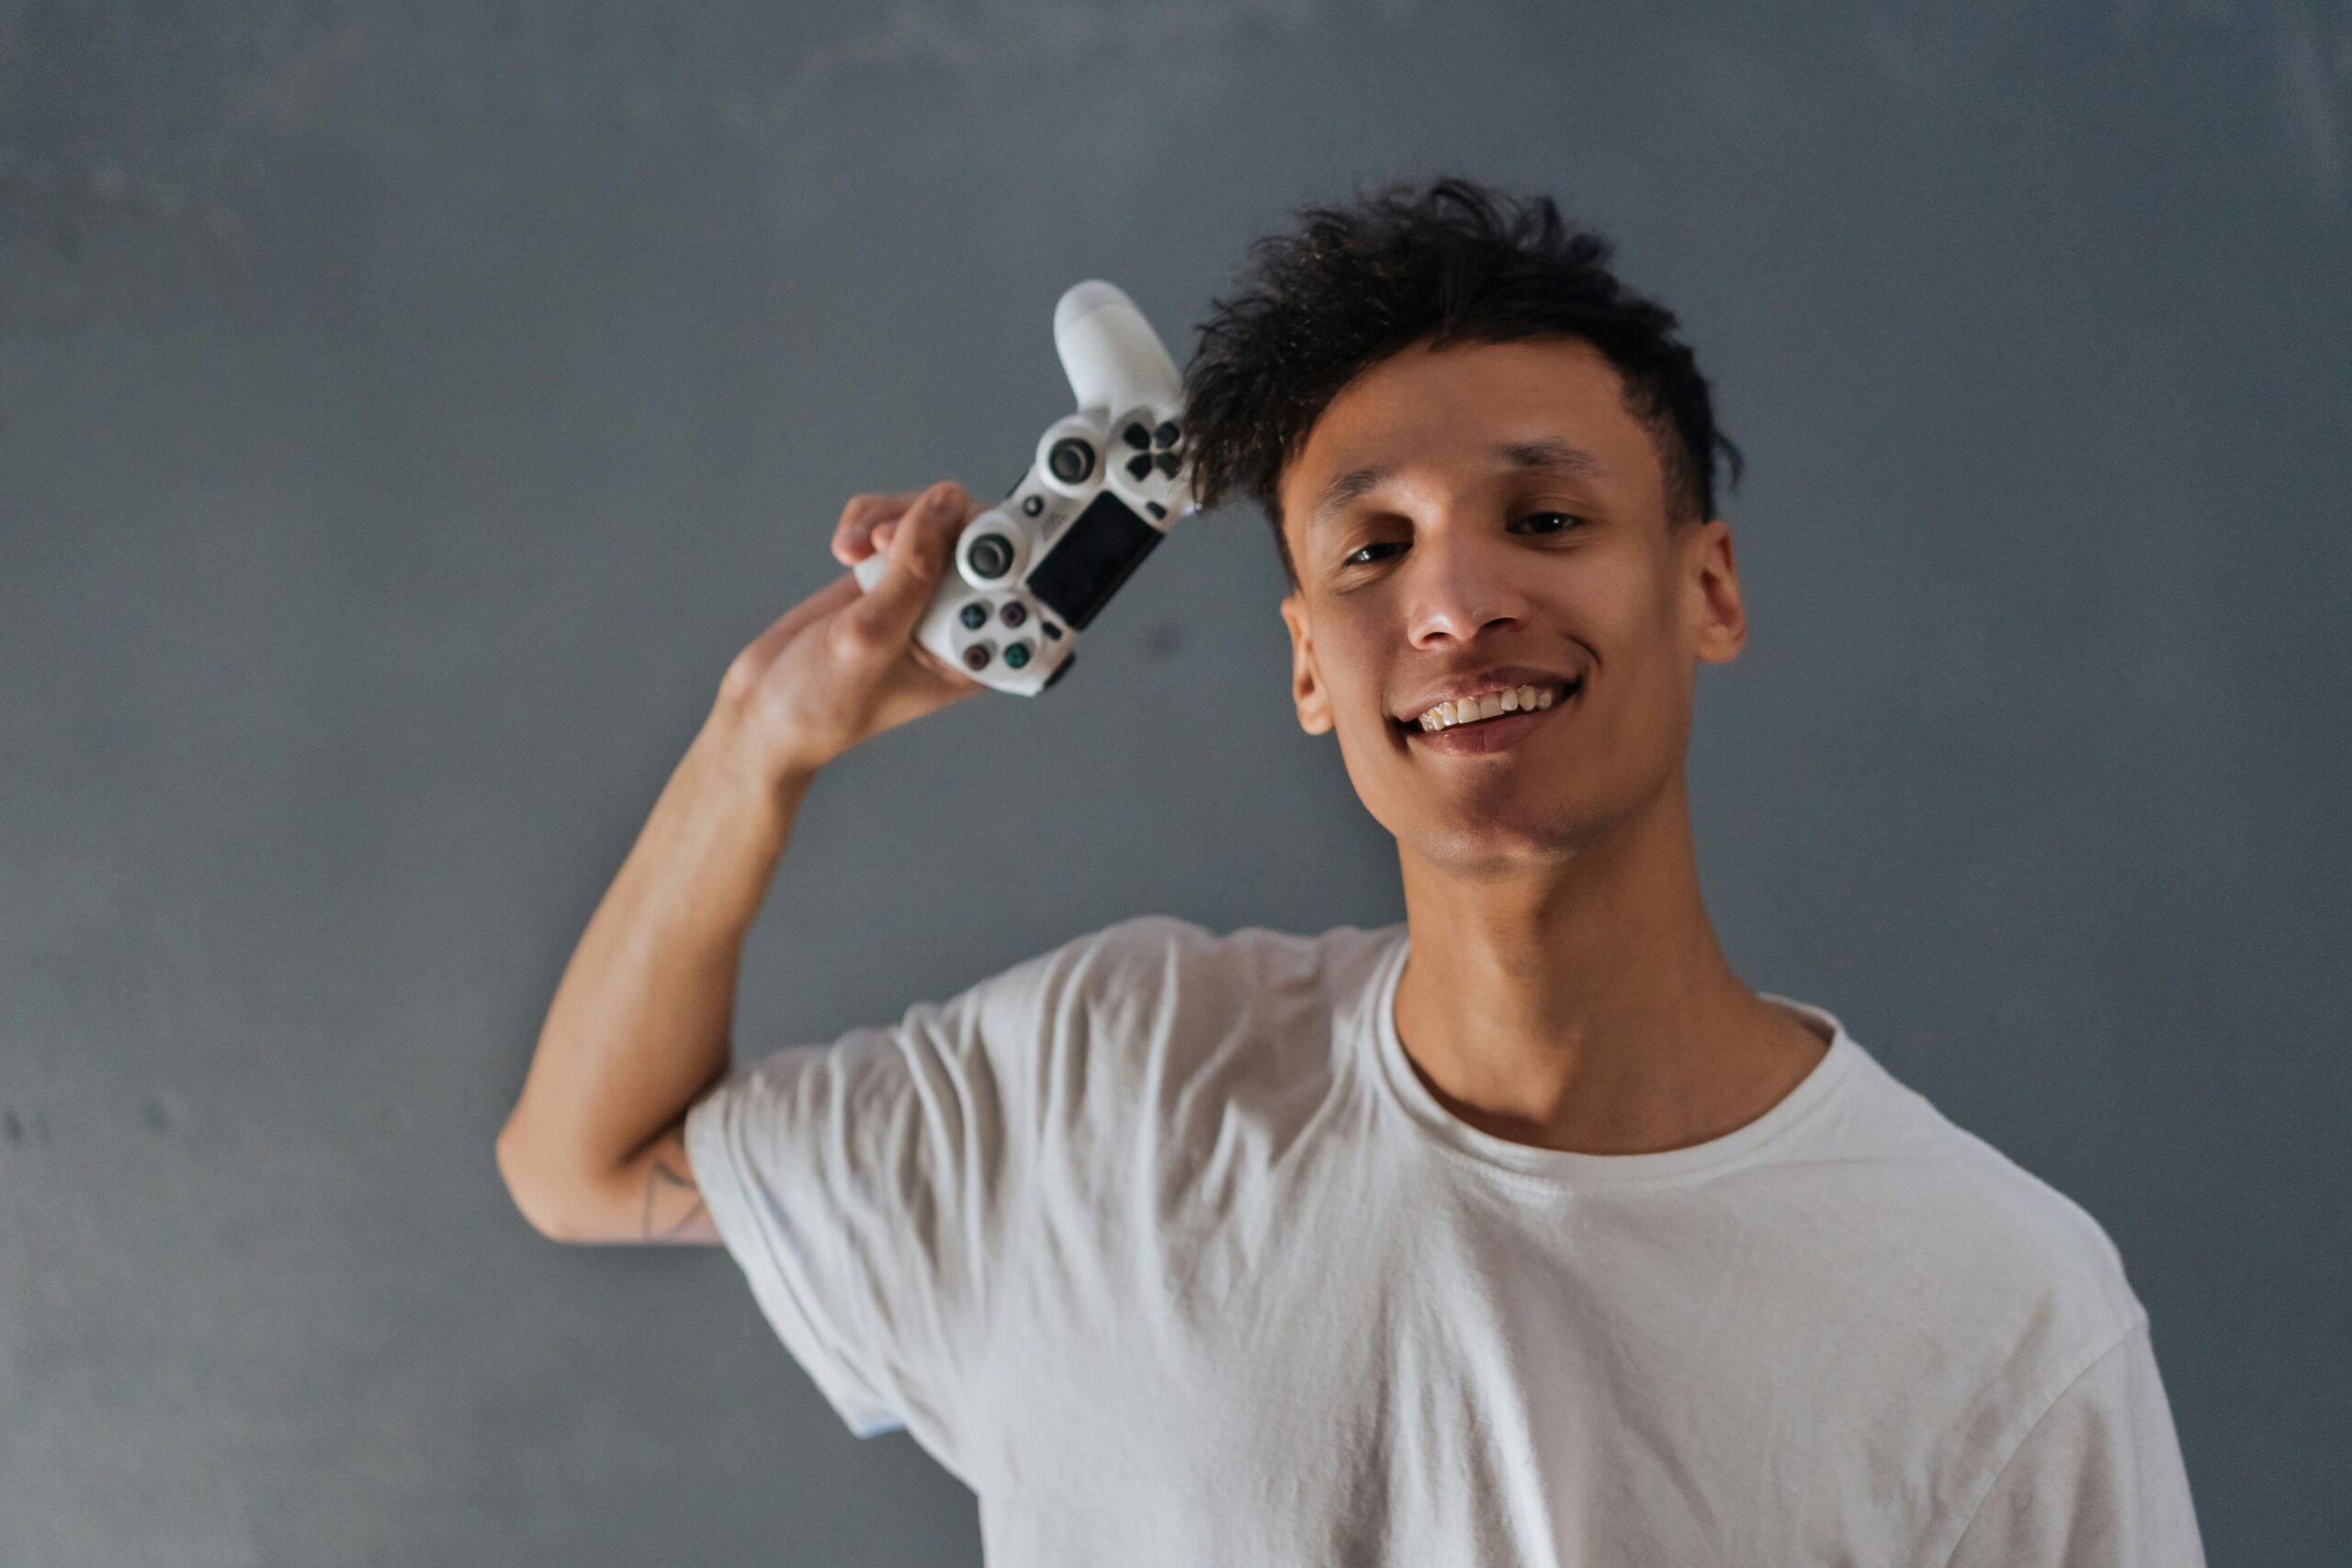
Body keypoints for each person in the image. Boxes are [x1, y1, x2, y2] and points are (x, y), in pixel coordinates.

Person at [495, 175, 2207, 1566]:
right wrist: (758, 739)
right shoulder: (1108, 1087)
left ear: (1710, 590)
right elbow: (588, 1164)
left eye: (1545, 520)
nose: (1454, 603)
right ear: (1310, 667)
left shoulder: (1997, 1317)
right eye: (1373, 548)